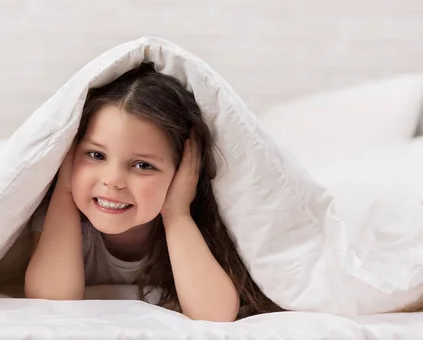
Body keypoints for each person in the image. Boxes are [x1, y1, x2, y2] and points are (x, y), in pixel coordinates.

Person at [24, 63, 281, 322]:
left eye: (143, 165)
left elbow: (214, 314)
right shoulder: (62, 215)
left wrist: (176, 214)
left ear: (182, 173)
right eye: (96, 155)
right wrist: (66, 189)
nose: (113, 181)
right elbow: (51, 302)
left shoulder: (193, 225)